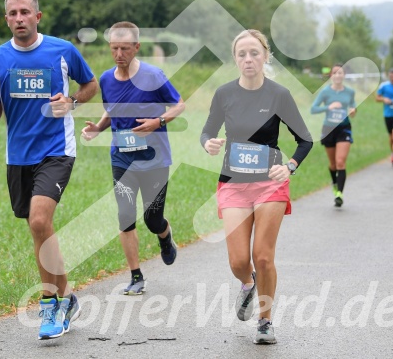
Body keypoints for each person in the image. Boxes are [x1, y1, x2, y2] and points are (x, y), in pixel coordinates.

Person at [0, 0, 98, 340]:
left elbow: (90, 84)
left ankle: (49, 307)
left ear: (37, 16)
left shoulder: (62, 50)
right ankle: (67, 298)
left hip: (57, 150)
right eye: (12, 13)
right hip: (18, 156)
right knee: (40, 230)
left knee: (40, 219)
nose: (19, 18)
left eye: (25, 12)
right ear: (6, 19)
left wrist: (72, 100)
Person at [200, 29, 312, 344]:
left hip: (269, 185)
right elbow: (207, 130)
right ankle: (248, 285)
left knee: (263, 257)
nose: (248, 59)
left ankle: (265, 321)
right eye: (242, 54)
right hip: (233, 184)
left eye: (254, 53)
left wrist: (289, 166)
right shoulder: (224, 94)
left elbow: (305, 139)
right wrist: (209, 142)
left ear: (265, 57)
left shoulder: (279, 95)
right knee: (239, 262)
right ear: (235, 59)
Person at [81, 22, 184, 296]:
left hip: (155, 160)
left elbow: (179, 105)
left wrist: (157, 121)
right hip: (121, 159)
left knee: (153, 219)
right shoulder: (105, 79)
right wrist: (97, 128)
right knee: (125, 215)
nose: (118, 54)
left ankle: (165, 236)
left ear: (136, 47)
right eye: (114, 48)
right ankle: (136, 276)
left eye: (125, 48)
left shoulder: (154, 75)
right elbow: (111, 111)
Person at [310, 63, 356, 207]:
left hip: (344, 128)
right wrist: (328, 107)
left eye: (340, 73)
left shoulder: (350, 92)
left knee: (341, 161)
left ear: (344, 75)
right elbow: (313, 109)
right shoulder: (325, 92)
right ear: (331, 76)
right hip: (329, 129)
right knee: (333, 164)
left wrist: (353, 111)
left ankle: (339, 194)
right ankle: (334, 183)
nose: (338, 75)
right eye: (335, 73)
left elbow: (353, 106)